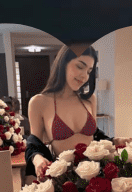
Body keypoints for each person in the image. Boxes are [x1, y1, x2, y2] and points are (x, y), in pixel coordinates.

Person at [24, 45, 104, 176]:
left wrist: (116, 140)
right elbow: (34, 143)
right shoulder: (39, 102)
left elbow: (95, 136)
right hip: (64, 180)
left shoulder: (90, 100)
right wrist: (37, 159)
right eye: (80, 66)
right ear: (63, 63)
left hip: (95, 175)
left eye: (89, 71)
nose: (84, 76)